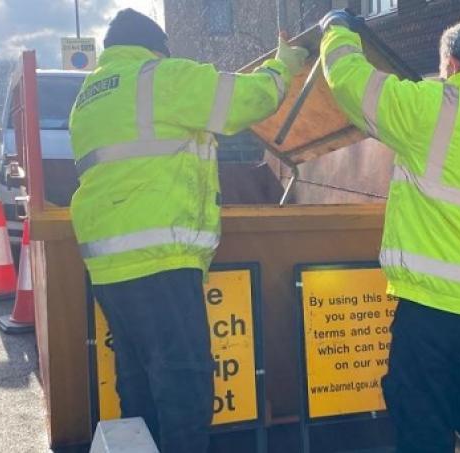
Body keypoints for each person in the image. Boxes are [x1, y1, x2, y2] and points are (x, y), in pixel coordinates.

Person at [68, 9, 307, 452]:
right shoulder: (160, 77)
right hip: (161, 259)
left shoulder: (90, 95)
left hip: (108, 264)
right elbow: (245, 100)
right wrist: (283, 66)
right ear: (157, 48)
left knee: (137, 383)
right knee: (186, 387)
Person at [318, 11, 460, 453]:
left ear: (453, 65)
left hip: (433, 309)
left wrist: (336, 30)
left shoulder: (435, 107)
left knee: (422, 421)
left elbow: (350, 82)